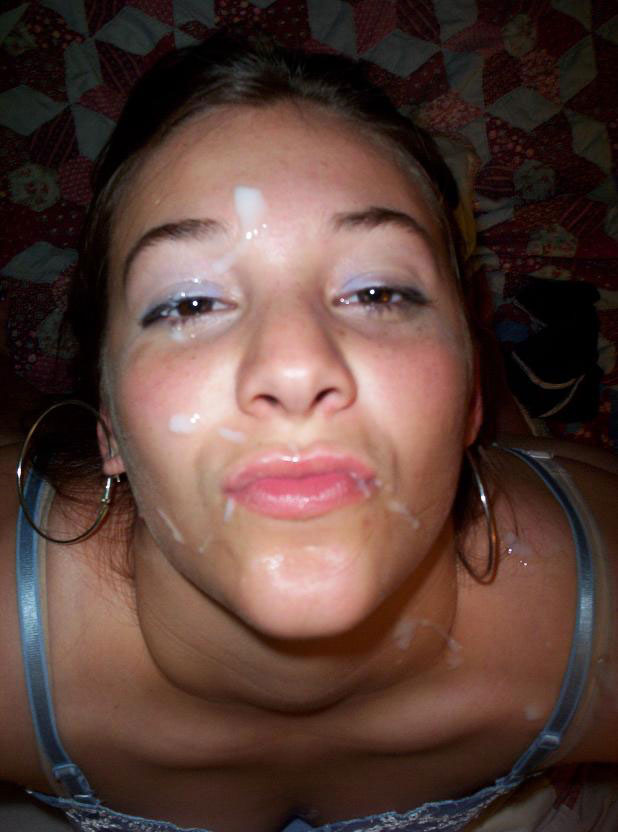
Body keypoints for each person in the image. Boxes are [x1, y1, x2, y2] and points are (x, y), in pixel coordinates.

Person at [0, 32, 617, 832]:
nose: (295, 367)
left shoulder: (598, 623)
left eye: (378, 292)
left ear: (470, 394)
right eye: (189, 303)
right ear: (109, 422)